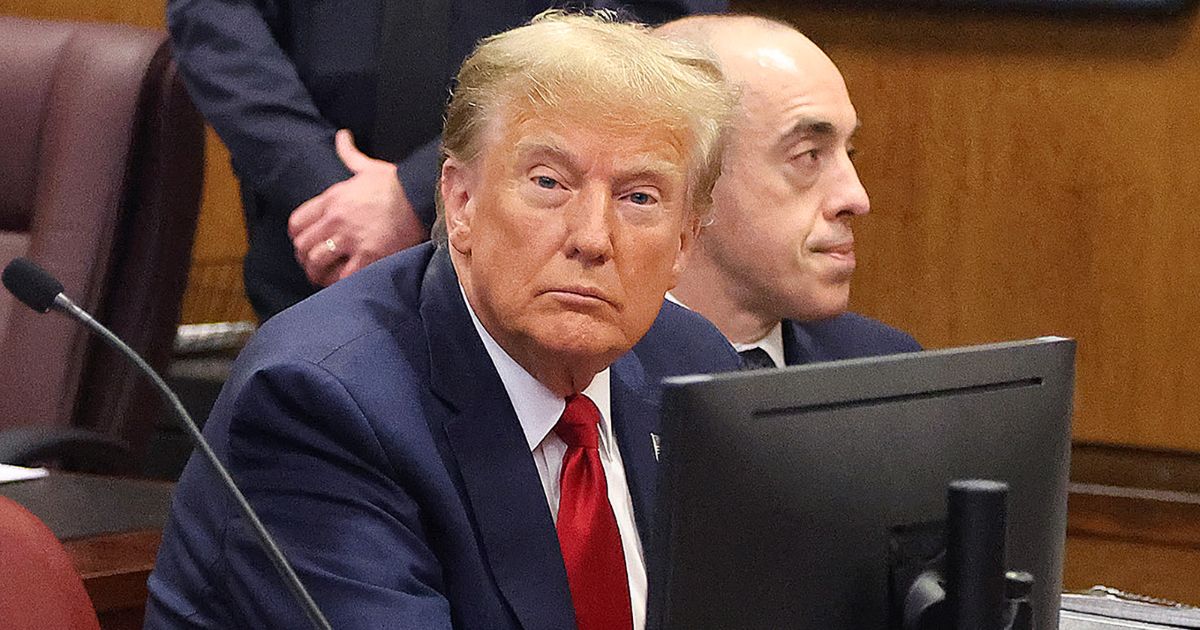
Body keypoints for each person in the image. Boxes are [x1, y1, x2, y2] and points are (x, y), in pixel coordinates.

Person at [146, 12, 738, 630]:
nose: (592, 238)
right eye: (549, 183)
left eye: (639, 197)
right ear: (460, 202)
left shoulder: (694, 372)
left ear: (684, 243)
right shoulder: (322, 404)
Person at [167, 0, 727, 321]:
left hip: (551, 226)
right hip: (313, 243)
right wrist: (321, 186)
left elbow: (653, 28)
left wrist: (417, 191)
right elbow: (218, 21)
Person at [656, 15, 920, 369]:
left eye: (849, 153)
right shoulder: (595, 384)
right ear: (688, 175)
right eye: (809, 155)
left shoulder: (885, 367)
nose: (857, 198)